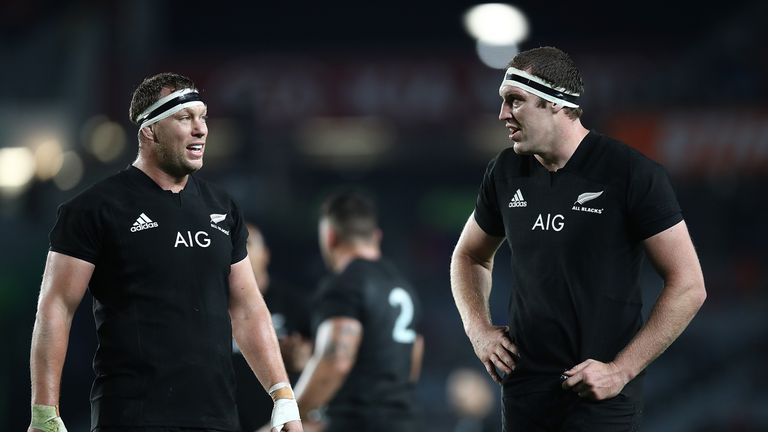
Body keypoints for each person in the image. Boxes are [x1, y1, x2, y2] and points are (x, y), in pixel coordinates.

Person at [450, 46, 706, 431]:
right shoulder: (504, 172)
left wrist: (620, 371)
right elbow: (468, 255)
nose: (503, 114)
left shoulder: (631, 173)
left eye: (515, 101)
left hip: (601, 398)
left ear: (554, 102)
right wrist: (479, 331)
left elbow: (689, 285)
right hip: (524, 396)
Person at [28, 72, 302, 432]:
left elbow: (248, 307)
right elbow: (57, 307)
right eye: (184, 118)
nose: (201, 129)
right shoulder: (95, 208)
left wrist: (283, 397)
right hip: (134, 418)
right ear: (149, 131)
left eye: (203, 116)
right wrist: (45, 412)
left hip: (217, 418)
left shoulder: (221, 206)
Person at [292, 190, 424, 432]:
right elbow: (414, 353)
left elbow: (336, 361)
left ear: (330, 236)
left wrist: (288, 415)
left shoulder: (345, 284)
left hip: (359, 423)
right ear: (376, 236)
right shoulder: (402, 286)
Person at [234, 223, 312, 431]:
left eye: (247, 242)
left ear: (266, 255)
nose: (238, 249)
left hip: (276, 424)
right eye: (232, 243)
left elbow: (326, 359)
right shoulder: (210, 305)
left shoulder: (296, 304)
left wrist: (306, 361)